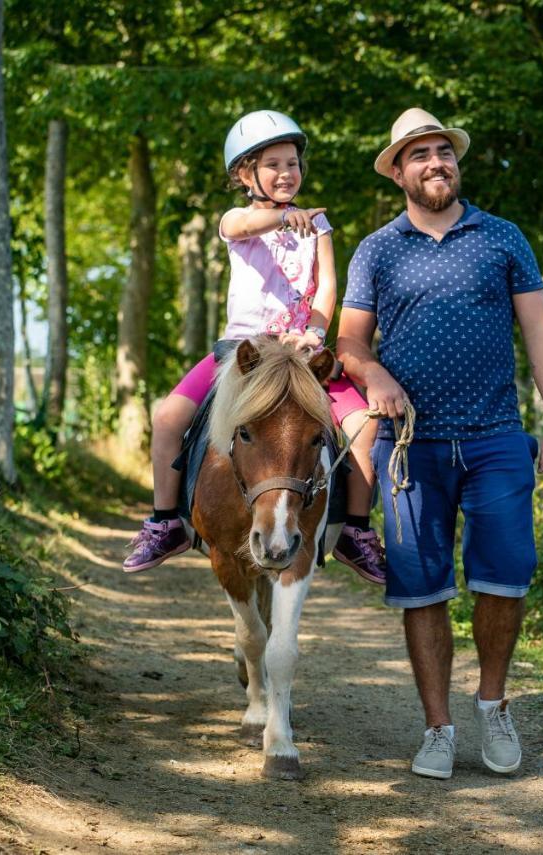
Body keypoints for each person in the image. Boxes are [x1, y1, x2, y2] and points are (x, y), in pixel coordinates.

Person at [337, 107, 543, 780]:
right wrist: (373, 370)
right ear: (399, 172)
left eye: (444, 151)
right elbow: (349, 343)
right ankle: (438, 727)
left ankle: (493, 705)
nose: (436, 161)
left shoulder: (502, 238)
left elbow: (539, 334)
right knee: (422, 587)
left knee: (505, 578)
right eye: (420, 154)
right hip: (412, 448)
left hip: (498, 438)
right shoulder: (377, 251)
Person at [122, 110, 387, 585]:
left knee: (364, 427)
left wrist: (316, 330)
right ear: (245, 174)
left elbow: (327, 286)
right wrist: (286, 217)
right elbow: (246, 227)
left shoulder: (319, 226)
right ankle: (164, 520)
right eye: (273, 165)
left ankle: (356, 531)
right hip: (240, 350)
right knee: (166, 419)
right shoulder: (236, 219)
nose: (287, 173)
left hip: (300, 357)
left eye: (293, 164)